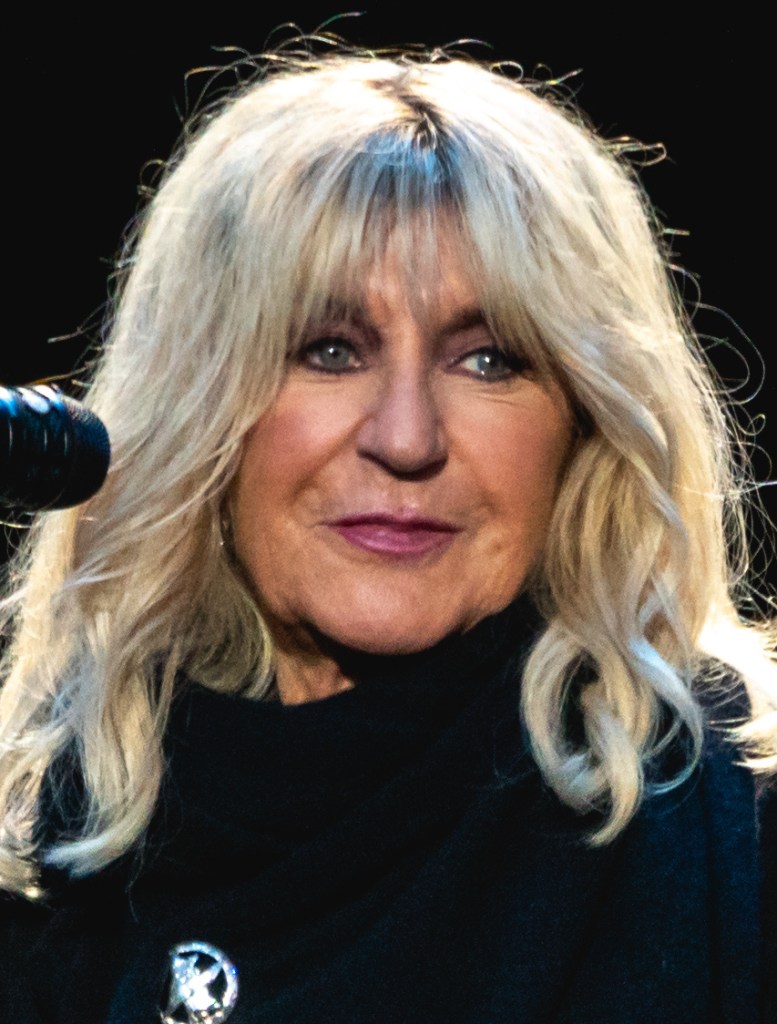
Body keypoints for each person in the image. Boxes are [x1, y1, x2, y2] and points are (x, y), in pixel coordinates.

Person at [1, 48, 775, 1024]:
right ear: (198, 406)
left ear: (584, 426)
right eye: (329, 351)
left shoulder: (739, 836)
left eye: (489, 360)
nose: (406, 439)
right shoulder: (49, 850)